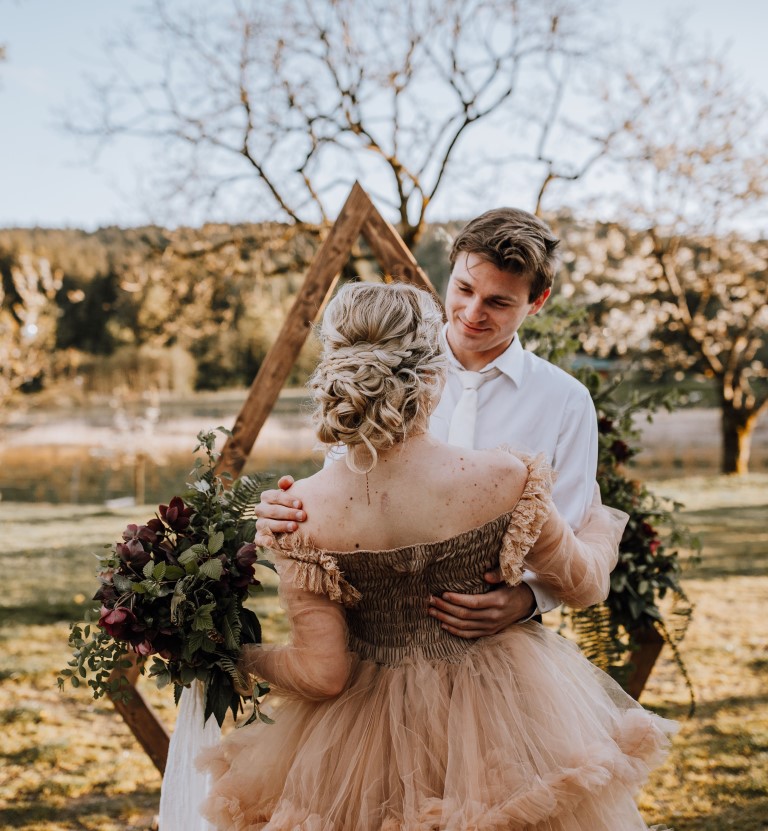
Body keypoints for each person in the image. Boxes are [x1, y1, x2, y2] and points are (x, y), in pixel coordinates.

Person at [197, 282, 675, 830]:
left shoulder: (297, 512)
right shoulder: (504, 477)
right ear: (434, 376)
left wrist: (233, 652)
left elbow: (323, 674)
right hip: (508, 721)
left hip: (357, 746)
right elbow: (584, 585)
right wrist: (596, 525)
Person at [254, 208, 598, 635]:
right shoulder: (385, 365)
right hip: (378, 637)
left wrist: (527, 600)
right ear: (449, 272)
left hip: (502, 649)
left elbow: (570, 532)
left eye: (498, 302)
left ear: (537, 302)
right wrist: (291, 512)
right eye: (464, 288)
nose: (472, 312)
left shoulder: (566, 401)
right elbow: (347, 474)